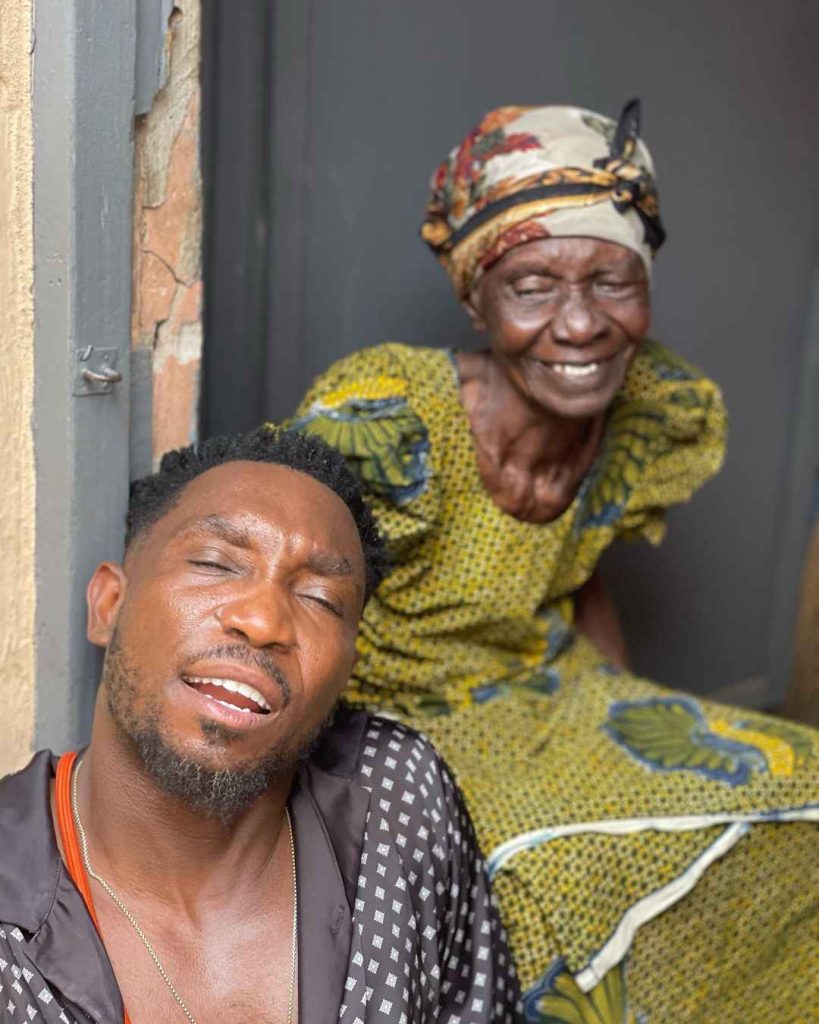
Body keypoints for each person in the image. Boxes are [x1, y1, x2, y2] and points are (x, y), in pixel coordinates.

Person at [291, 102, 819, 1022]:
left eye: (612, 281)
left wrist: (627, 719)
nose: (580, 326)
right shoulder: (392, 416)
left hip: (546, 684)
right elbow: (288, 595)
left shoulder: (649, 404)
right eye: (532, 286)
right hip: (388, 719)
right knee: (539, 878)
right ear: (474, 298)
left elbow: (578, 570)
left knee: (800, 783)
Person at [0, 428, 522, 1024]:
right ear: (109, 605)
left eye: (322, 599)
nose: (264, 619)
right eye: (216, 563)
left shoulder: (395, 797)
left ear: (348, 668)